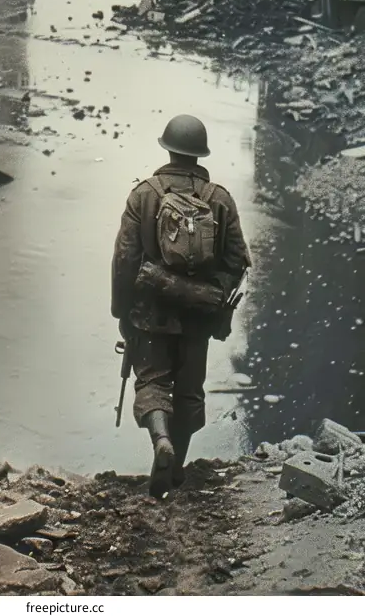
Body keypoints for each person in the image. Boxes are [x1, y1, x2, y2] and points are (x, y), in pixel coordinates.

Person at [111, 114, 250, 498]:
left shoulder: (143, 194)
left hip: (149, 315)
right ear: (199, 154)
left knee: (152, 381)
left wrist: (121, 311)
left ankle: (160, 442)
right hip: (197, 318)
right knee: (189, 391)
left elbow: (125, 259)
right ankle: (177, 470)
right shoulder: (219, 199)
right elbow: (237, 261)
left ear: (168, 148)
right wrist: (207, 296)